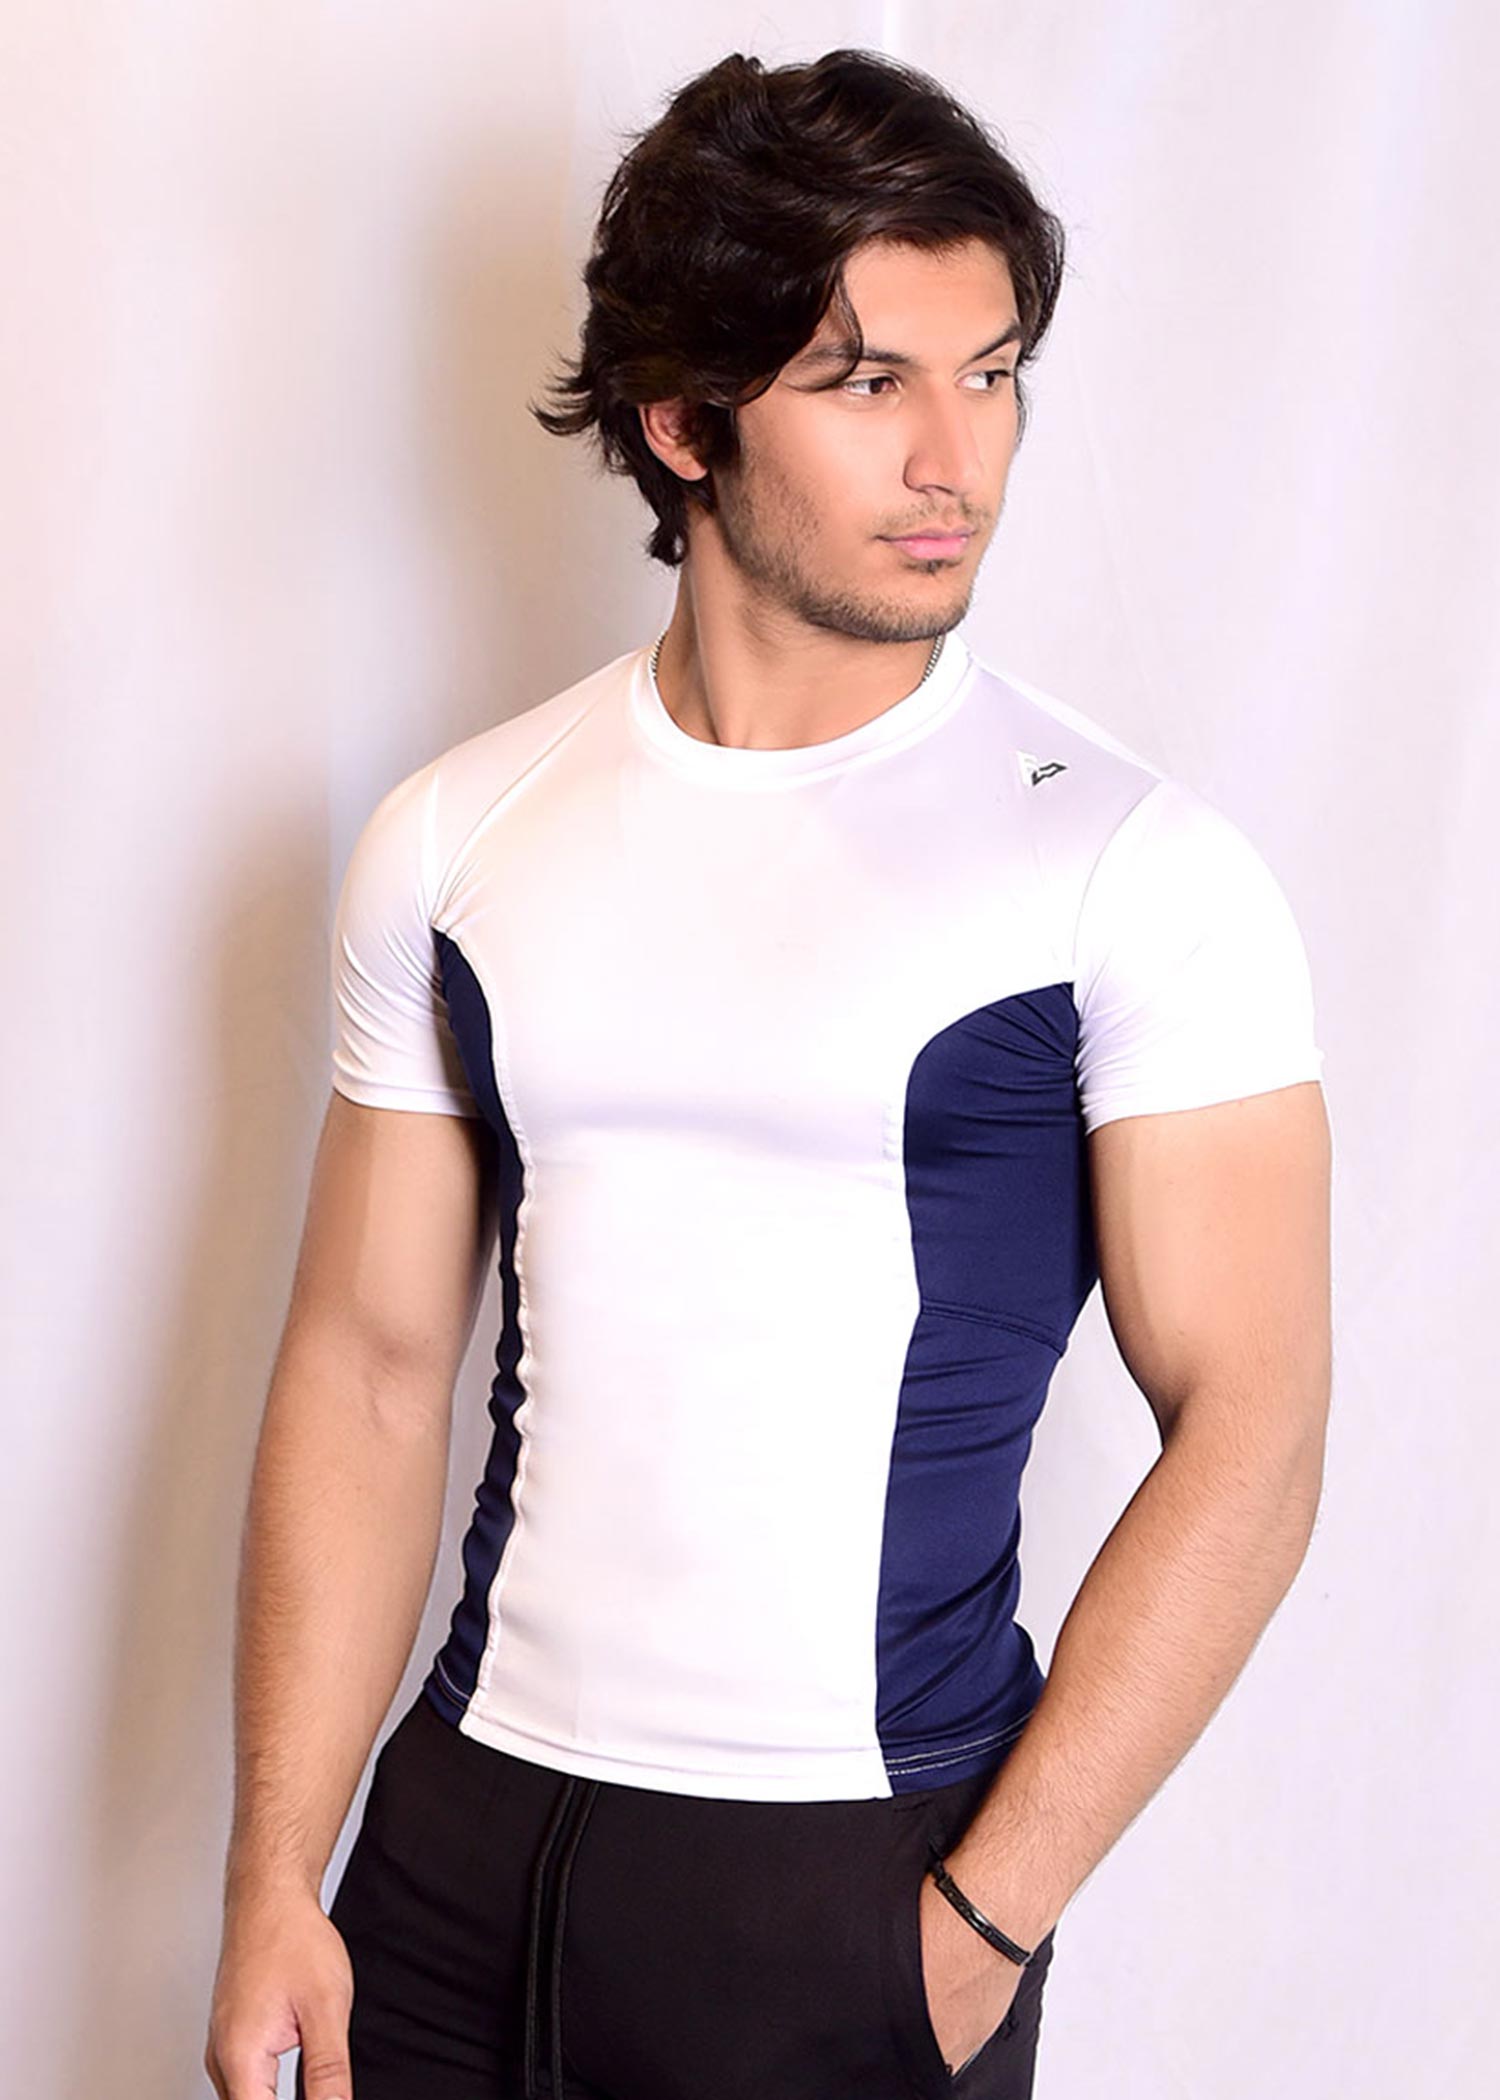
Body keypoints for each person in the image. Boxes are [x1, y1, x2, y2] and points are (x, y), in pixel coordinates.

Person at [205, 46, 1332, 2100]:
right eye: (869, 380)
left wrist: (981, 1923)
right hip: (450, 1860)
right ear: (681, 420)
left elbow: (1253, 1429)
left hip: (858, 1880)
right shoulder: (459, 836)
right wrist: (280, 1869)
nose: (955, 457)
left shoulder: (1133, 874)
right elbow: (370, 1367)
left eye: (991, 375)